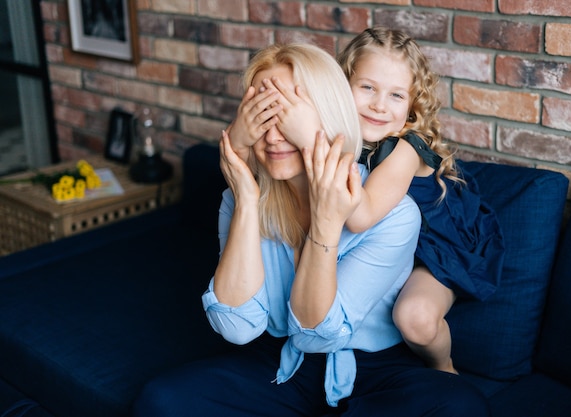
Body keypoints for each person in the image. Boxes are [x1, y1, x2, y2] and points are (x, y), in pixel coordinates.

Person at [133, 43, 489, 416]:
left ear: (327, 115)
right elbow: (237, 328)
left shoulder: (396, 213)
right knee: (161, 400)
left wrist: (324, 220)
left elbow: (316, 333)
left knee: (462, 405)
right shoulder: (240, 197)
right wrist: (247, 201)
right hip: (279, 362)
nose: (272, 138)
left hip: (375, 370)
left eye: (287, 118)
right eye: (261, 117)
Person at [334, 26, 506, 374]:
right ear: (342, 85)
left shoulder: (407, 149)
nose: (379, 105)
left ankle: (446, 369)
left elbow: (359, 217)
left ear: (412, 105)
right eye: (367, 87)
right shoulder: (341, 133)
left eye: (396, 95)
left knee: (415, 318)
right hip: (381, 243)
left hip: (433, 245)